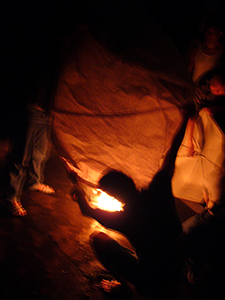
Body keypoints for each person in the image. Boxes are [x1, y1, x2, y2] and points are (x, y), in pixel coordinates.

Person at [74, 104, 195, 298]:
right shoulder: (159, 188)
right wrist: (186, 118)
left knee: (98, 238)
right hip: (177, 269)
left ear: (115, 196)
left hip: (153, 279)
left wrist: (76, 186)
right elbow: (172, 154)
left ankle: (125, 288)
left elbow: (87, 210)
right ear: (130, 181)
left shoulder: (126, 219)